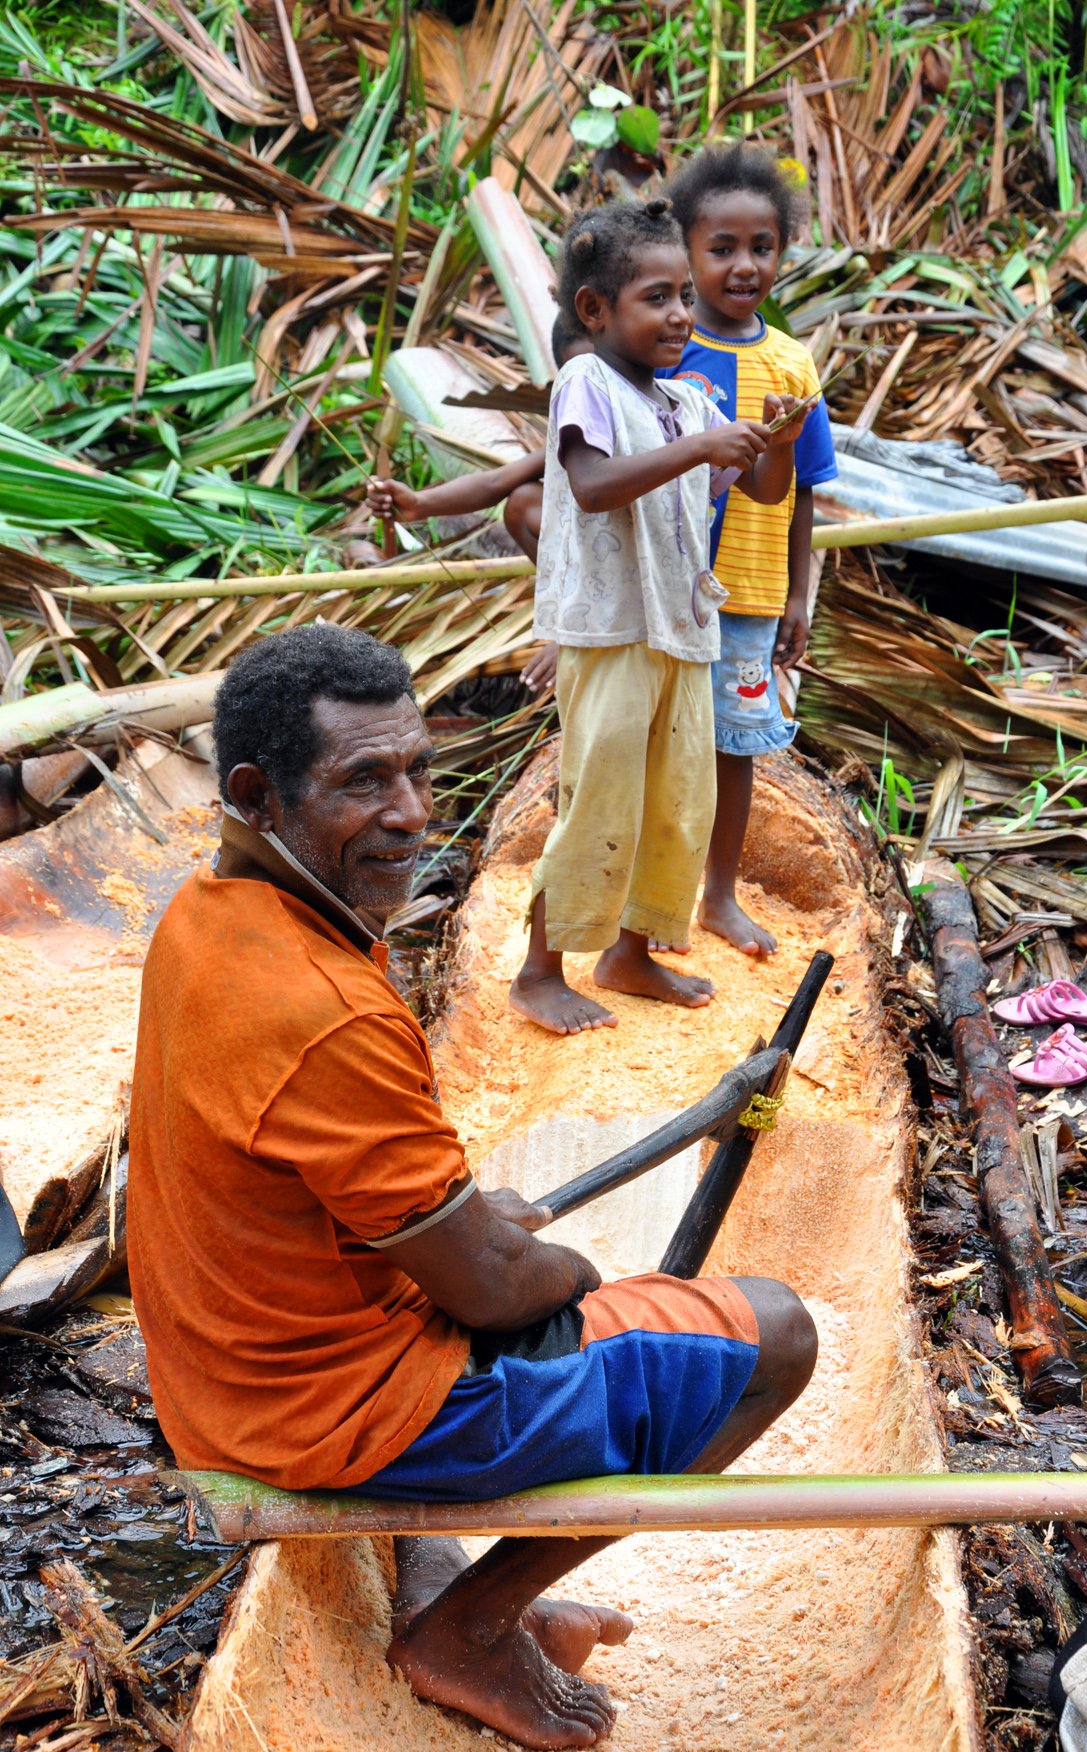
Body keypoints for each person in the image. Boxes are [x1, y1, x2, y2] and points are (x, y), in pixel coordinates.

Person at [126, 623, 818, 1751]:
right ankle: (471, 1627)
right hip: (317, 1418)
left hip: (222, 1382)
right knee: (777, 1334)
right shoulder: (323, 1010)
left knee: (510, 1268)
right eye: (363, 781)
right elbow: (496, 1290)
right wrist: (571, 1278)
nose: (410, 812)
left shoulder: (207, 920)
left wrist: (479, 1243)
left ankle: (444, 1567)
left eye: (417, 770)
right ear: (258, 794)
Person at [509, 196, 813, 1039]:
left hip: (682, 631)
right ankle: (539, 972)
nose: (682, 313)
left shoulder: (688, 402)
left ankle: (632, 951)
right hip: (610, 634)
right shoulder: (588, 383)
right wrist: (702, 447)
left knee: (679, 803)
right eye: (658, 297)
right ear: (595, 310)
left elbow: (763, 490)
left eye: (686, 295)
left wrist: (778, 435)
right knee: (598, 799)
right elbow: (593, 484)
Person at [661, 143, 839, 957]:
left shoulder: (793, 364)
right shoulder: (662, 350)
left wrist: (802, 597)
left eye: (759, 247)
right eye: (721, 248)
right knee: (659, 741)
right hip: (661, 589)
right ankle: (646, 898)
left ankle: (720, 896)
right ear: (687, 249)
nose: (742, 265)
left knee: (735, 748)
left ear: (781, 251)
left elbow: (799, 492)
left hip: (753, 591)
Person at [365, 312, 586, 697]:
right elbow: (500, 481)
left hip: (661, 573)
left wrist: (576, 636)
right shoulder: (579, 425)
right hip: (601, 570)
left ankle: (581, 627)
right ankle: (573, 618)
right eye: (579, 380)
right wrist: (418, 503)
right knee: (523, 503)